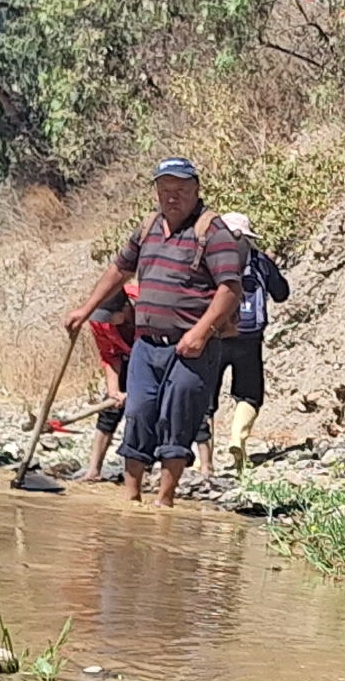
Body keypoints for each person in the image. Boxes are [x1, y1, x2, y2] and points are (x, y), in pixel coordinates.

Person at [59, 157, 245, 505]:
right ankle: (131, 500)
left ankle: (165, 500)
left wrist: (201, 332)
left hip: (191, 348)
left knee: (178, 419)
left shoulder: (213, 232)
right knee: (139, 413)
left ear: (196, 190)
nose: (172, 197)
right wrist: (86, 309)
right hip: (146, 346)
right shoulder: (148, 228)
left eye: (181, 190)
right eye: (165, 190)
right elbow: (120, 269)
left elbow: (230, 289)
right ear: (157, 192)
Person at [211, 209, 293, 483]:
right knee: (249, 393)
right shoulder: (259, 261)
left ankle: (204, 459)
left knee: (206, 396)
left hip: (217, 334)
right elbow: (282, 294)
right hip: (249, 337)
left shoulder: (211, 259)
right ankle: (237, 439)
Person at [82, 290, 136, 481]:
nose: (106, 321)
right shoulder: (99, 321)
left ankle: (139, 473)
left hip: (157, 357)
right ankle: (93, 470)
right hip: (124, 357)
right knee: (109, 410)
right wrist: (114, 392)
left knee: (140, 412)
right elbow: (109, 355)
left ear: (126, 309)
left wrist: (135, 393)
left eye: (110, 317)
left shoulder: (147, 310)